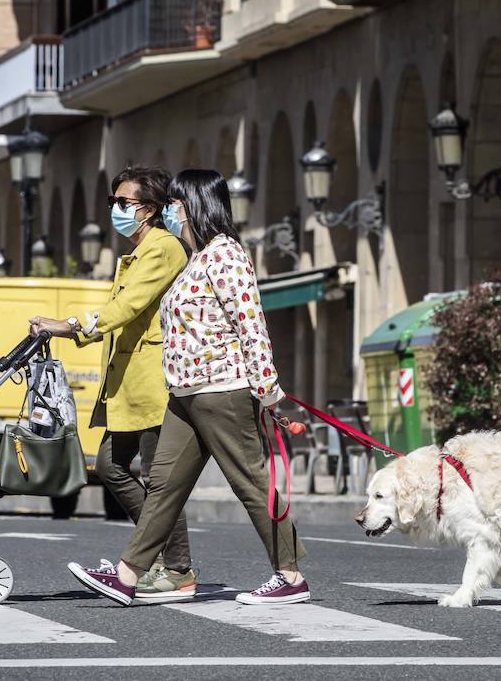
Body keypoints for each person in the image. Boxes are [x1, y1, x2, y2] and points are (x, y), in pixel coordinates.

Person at [67, 168, 309, 607]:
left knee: (251, 483)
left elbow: (250, 324)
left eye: (177, 203)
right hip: (183, 393)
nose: (171, 210)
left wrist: (268, 388)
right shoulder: (196, 258)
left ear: (196, 204)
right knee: (162, 485)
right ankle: (127, 574)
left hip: (222, 389)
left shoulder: (226, 255)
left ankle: (290, 576)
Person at [28, 165, 196, 601]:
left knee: (161, 482)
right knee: (109, 467)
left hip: (156, 384)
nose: (116, 210)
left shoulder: (163, 249)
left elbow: (127, 305)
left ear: (151, 209)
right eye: (113, 203)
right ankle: (154, 556)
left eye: (124, 203)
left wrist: (69, 326)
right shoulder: (139, 251)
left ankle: (176, 569)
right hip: (129, 386)